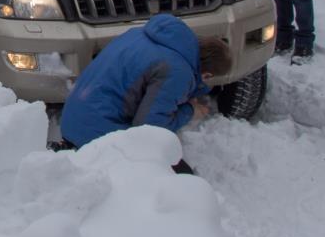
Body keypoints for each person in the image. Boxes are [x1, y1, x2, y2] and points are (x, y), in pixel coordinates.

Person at [59, 14, 233, 172]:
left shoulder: (143, 35)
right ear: (207, 74)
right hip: (95, 135)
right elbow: (148, 130)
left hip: (73, 119)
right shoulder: (177, 71)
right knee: (183, 180)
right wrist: (189, 111)